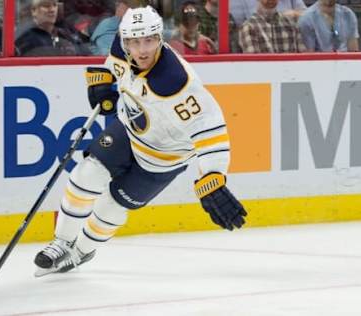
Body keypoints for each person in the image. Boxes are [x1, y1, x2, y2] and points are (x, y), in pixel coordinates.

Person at [33, 5, 247, 276]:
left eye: (149, 40)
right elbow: (113, 67)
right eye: (135, 42)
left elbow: (211, 131)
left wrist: (212, 177)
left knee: (112, 205)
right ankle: (61, 242)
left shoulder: (175, 82)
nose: (142, 49)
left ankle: (80, 252)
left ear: (160, 39)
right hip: (129, 131)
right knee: (86, 174)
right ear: (125, 41)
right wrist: (103, 82)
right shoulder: (121, 48)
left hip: (162, 159)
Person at [15, 0, 86, 56]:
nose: (52, 10)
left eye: (55, 5)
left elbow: (86, 53)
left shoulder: (67, 31)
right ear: (34, 10)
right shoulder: (26, 38)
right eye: (46, 6)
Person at [239, 0, 306, 53]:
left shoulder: (291, 24)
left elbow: (302, 55)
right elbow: (253, 63)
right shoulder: (249, 27)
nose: (271, 0)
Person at [230, 0, 307, 27]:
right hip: (257, 44)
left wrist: (295, 14)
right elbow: (237, 27)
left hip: (287, 42)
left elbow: (308, 16)